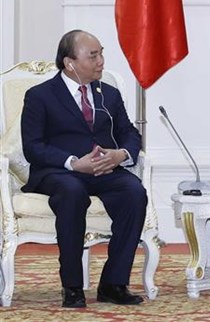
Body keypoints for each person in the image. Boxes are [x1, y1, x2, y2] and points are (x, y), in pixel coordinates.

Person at [21, 30, 147, 308]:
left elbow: (129, 134)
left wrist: (120, 155)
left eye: (101, 53)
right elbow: (33, 147)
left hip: (104, 170)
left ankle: (113, 283)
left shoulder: (109, 95)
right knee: (72, 191)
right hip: (59, 172)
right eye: (93, 56)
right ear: (70, 62)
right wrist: (73, 162)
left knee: (134, 192)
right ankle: (73, 286)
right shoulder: (39, 96)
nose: (101, 61)